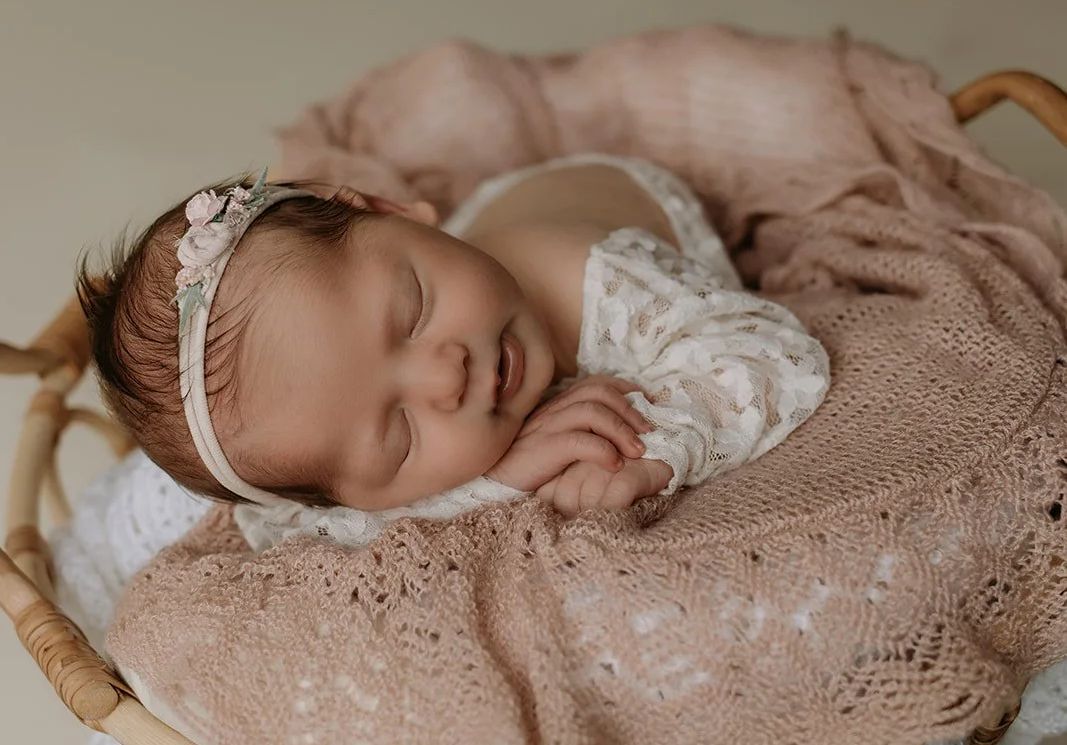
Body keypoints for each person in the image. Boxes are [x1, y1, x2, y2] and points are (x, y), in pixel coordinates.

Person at [78, 155, 830, 533]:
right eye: (400, 436)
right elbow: (325, 533)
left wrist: (658, 449)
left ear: (389, 208)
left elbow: (767, 352)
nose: (446, 378)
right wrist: (501, 478)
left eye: (412, 314)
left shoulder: (600, 278)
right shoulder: (328, 462)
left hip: (591, 193)